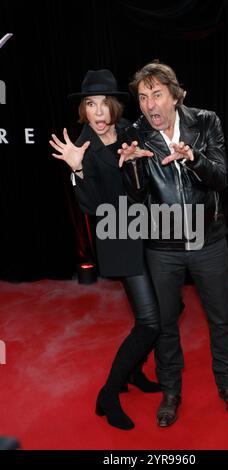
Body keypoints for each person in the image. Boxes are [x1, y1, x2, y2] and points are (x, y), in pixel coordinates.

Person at [119, 61, 228, 427]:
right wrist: (130, 166)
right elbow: (137, 194)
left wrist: (194, 158)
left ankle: (227, 385)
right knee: (164, 323)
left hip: (209, 241)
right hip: (162, 245)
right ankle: (171, 390)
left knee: (221, 319)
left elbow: (221, 178)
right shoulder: (136, 132)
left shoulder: (206, 122)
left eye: (157, 95)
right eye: (143, 97)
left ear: (176, 96)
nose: (149, 105)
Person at [49, 69, 161, 430]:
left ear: (114, 107)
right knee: (149, 322)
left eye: (103, 104)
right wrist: (79, 170)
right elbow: (94, 208)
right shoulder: (82, 145)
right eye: (90, 104)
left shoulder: (128, 130)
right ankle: (108, 394)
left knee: (169, 307)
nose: (98, 113)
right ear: (84, 109)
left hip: (147, 231)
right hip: (119, 238)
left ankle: (134, 373)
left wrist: (140, 163)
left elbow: (143, 188)